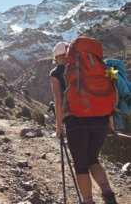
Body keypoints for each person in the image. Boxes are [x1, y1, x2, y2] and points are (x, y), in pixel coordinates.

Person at [50, 41, 117, 204]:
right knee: (93, 158)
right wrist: (110, 124)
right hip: (101, 119)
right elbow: (109, 95)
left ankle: (88, 201)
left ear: (57, 57)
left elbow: (58, 102)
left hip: (76, 121)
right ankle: (108, 195)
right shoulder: (94, 68)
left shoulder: (57, 72)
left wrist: (59, 128)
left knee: (81, 165)